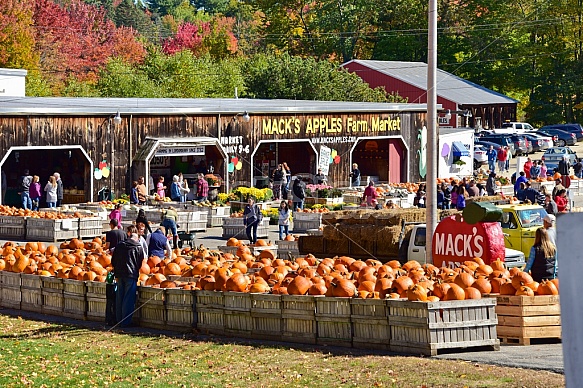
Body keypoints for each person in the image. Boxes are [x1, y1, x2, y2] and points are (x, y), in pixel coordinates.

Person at [111, 225, 146, 327]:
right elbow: (140, 262)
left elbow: (113, 260)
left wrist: (116, 270)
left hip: (119, 274)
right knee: (128, 298)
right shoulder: (138, 247)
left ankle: (118, 319)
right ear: (136, 239)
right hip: (131, 274)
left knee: (119, 297)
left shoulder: (119, 245)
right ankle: (126, 322)